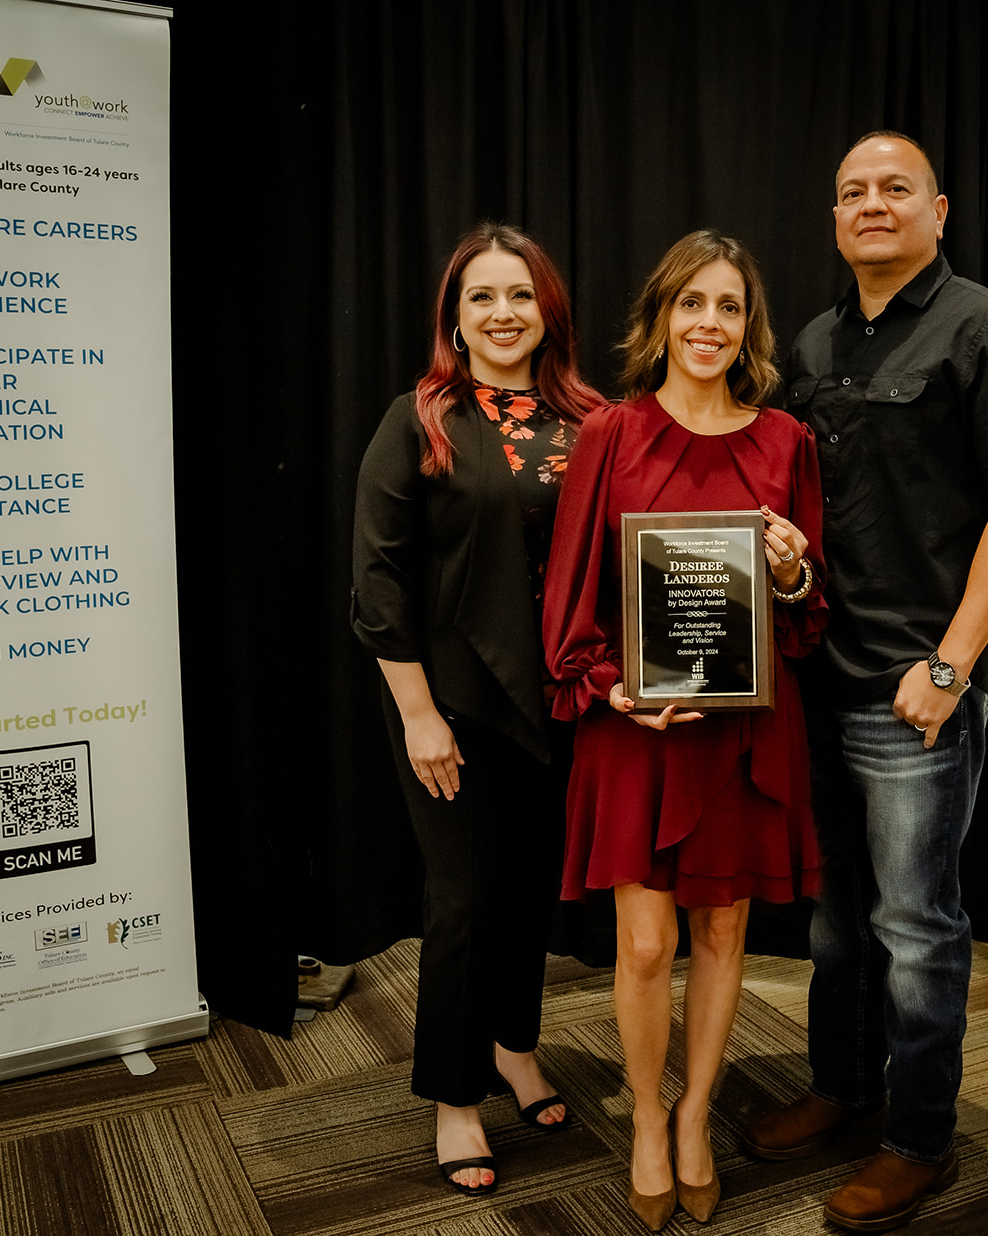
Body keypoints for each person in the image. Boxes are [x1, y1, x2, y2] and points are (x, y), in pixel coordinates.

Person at [741, 132, 988, 1231]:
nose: (870, 205)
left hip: (916, 690)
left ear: (934, 208)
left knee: (917, 927)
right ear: (833, 221)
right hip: (820, 679)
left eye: (892, 189)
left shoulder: (987, 329)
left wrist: (950, 665)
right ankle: (842, 1089)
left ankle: (918, 1139)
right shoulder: (817, 342)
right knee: (838, 921)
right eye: (850, 193)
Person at [543, 230, 826, 1231]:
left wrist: (788, 567)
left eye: (730, 307)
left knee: (721, 932)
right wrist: (610, 687)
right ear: (662, 316)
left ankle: (697, 1115)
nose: (710, 323)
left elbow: (800, 615)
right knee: (643, 944)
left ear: (748, 327)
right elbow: (572, 591)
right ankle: (647, 1125)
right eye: (692, 304)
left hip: (742, 738)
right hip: (635, 727)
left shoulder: (785, 441)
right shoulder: (612, 434)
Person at [351, 222, 601, 1196]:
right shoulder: (416, 420)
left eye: (519, 296)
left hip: (559, 704)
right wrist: (417, 715)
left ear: (548, 312)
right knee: (461, 906)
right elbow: (376, 582)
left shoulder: (587, 417)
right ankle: (456, 1098)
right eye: (481, 298)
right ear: (454, 317)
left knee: (529, 894)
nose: (502, 314)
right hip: (448, 704)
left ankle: (511, 1046)